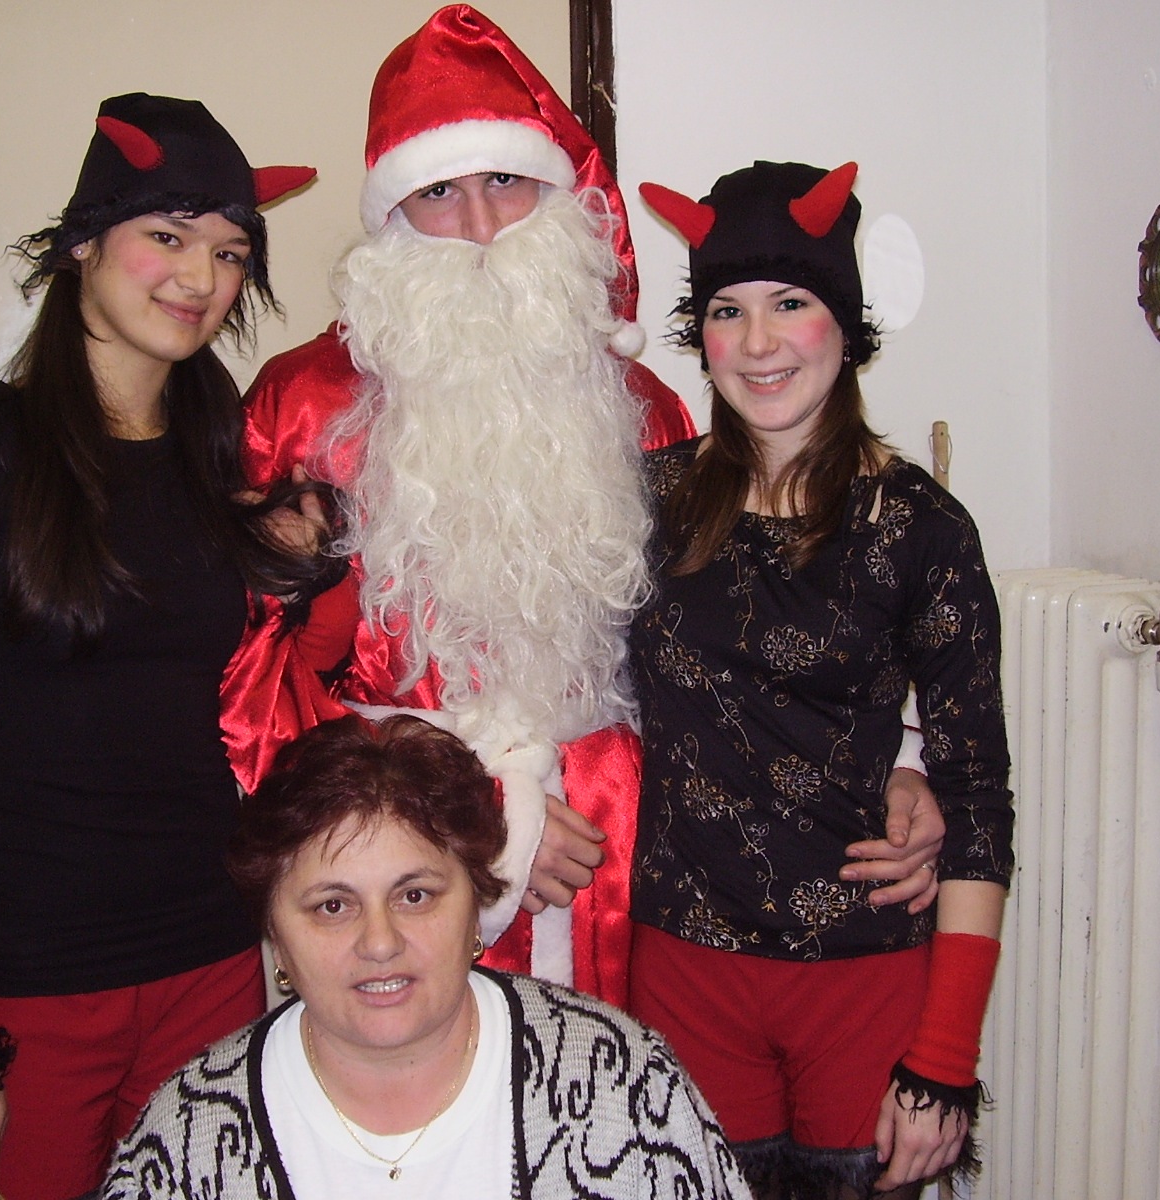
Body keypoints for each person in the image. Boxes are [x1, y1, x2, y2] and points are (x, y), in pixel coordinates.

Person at [225, 4, 943, 1010]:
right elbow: (248, 679)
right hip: (392, 858)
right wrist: (461, 810)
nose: (481, 228)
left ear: (558, 199)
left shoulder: (640, 407)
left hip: (619, 845)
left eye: (506, 183)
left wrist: (890, 762)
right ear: (392, 221)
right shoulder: (301, 405)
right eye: (439, 193)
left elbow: (740, 641)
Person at [0, 94, 347, 1200]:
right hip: (34, 982)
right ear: (84, 241)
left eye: (229, 251)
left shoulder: (222, 463)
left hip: (210, 960)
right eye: (166, 235)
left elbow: (295, 686)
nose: (201, 276)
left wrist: (322, 559)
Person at [629, 161, 1014, 1198]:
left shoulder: (921, 528)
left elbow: (979, 797)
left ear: (845, 322)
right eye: (728, 311)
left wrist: (945, 1060)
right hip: (684, 973)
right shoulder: (644, 502)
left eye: (790, 303)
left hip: (861, 977)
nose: (758, 343)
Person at [103, 712, 754, 1199]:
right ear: (275, 930)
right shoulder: (186, 1137)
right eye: (333, 905)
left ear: (477, 904)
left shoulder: (625, 1085)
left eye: (414, 895)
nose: (380, 942)